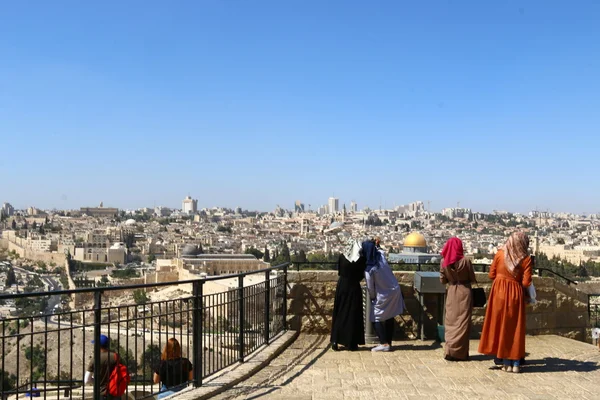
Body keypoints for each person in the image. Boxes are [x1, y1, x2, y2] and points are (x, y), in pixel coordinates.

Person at [478, 232, 532, 373]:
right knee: (514, 328)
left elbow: (491, 275)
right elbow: (526, 282)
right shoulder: (525, 258)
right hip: (515, 293)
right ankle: (515, 364)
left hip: (498, 293)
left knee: (499, 325)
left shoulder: (500, 254)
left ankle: (504, 361)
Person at [363, 240, 405, 352]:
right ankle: (389, 341)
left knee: (375, 317)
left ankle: (384, 343)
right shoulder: (381, 256)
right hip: (395, 290)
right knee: (389, 316)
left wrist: (373, 297)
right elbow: (381, 251)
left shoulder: (369, 270)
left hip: (383, 294)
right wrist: (377, 244)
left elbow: (370, 288)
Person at [439, 237, 477, 361]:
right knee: (463, 323)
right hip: (464, 292)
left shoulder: (443, 262)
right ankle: (461, 353)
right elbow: (472, 277)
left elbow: (442, 280)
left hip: (452, 292)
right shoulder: (466, 261)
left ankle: (450, 351)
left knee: (450, 322)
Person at [330, 239, 366, 351]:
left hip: (342, 286)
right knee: (353, 314)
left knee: (340, 312)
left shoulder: (342, 256)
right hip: (354, 286)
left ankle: (335, 340)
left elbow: (339, 272)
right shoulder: (360, 259)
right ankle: (351, 342)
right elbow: (361, 275)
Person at [84, 334, 120, 399]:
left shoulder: (95, 359)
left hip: (102, 394)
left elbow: (86, 380)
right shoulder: (115, 356)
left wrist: (97, 381)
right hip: (115, 393)